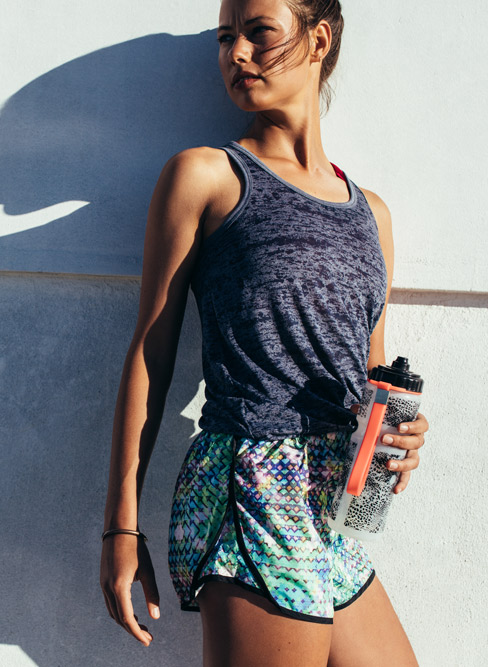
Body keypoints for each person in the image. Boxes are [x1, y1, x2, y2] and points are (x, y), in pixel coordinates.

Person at [99, 0, 429, 664]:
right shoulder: (207, 177)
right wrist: (119, 526)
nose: (237, 54)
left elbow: (368, 376)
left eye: (259, 33)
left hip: (331, 503)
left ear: (319, 39)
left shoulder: (373, 216)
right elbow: (150, 352)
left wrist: (397, 430)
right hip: (251, 481)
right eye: (226, 38)